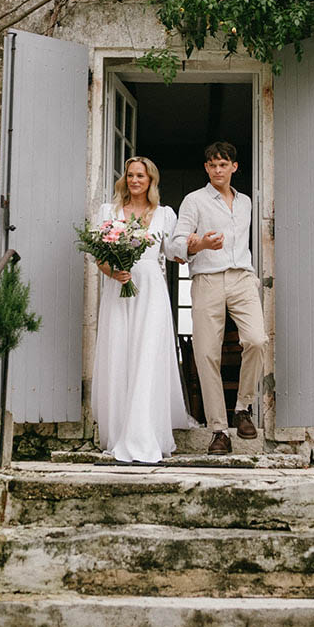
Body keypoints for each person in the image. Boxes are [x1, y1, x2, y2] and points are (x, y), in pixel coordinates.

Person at [90, 155, 193, 463]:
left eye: (141, 176)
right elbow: (98, 256)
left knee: (147, 357)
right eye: (131, 175)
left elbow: (175, 252)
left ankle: (144, 431)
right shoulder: (109, 212)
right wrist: (114, 272)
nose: (135, 180)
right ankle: (119, 430)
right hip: (119, 288)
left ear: (151, 181)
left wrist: (197, 244)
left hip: (151, 291)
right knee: (120, 355)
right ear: (125, 179)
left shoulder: (165, 214)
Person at [170, 141, 268, 456]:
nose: (217, 170)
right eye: (212, 165)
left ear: (234, 167)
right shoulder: (194, 201)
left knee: (256, 340)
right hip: (207, 279)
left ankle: (243, 407)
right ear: (206, 168)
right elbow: (175, 245)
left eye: (223, 164)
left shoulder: (246, 203)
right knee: (206, 354)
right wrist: (200, 244)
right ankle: (218, 431)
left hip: (241, 277)